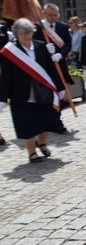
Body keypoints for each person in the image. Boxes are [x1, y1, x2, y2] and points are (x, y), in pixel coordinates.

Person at [0, 18, 65, 163]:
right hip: (22, 94)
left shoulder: (41, 46)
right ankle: (32, 152)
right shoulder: (10, 51)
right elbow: (5, 76)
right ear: (16, 34)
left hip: (44, 92)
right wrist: (2, 98)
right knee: (26, 124)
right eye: (23, 33)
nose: (26, 36)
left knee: (49, 121)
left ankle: (41, 142)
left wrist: (59, 88)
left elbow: (51, 70)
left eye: (29, 32)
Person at [36, 3, 73, 133]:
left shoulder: (63, 27)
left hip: (59, 65)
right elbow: (34, 46)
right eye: (50, 15)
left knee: (60, 93)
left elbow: (68, 44)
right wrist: (44, 51)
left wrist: (60, 54)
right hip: (45, 67)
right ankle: (52, 121)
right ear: (44, 14)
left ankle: (57, 119)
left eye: (55, 15)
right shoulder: (39, 28)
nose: (53, 18)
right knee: (48, 95)